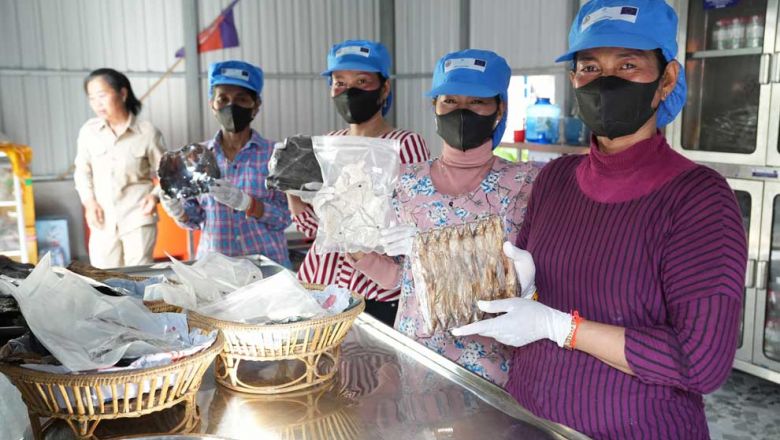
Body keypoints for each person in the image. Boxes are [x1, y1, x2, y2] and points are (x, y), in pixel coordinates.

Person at [452, 2, 748, 438]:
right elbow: (534, 302)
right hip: (530, 418)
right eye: (589, 66)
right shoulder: (556, 179)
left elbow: (700, 363)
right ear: (573, 79)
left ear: (666, 80)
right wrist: (525, 289)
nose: (604, 80)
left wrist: (562, 327)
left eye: (628, 65)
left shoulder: (697, 198)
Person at [379, 49, 539, 386]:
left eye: (477, 102)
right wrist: (356, 253)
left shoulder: (526, 182)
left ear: (500, 109)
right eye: (450, 101)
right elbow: (400, 281)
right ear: (435, 107)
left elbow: (537, 281)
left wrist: (430, 251)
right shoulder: (405, 182)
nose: (461, 112)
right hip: (414, 356)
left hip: (490, 363)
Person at [289, 40, 430, 326]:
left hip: (372, 296)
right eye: (339, 82)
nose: (349, 91)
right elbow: (318, 230)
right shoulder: (329, 143)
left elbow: (413, 224)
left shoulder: (404, 144)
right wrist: (292, 191)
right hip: (318, 289)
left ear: (384, 88)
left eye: (362, 81)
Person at [160, 60, 292, 267]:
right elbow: (194, 219)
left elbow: (285, 217)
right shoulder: (195, 157)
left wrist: (249, 204)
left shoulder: (276, 154)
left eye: (241, 99)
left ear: (256, 106)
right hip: (215, 268)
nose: (231, 106)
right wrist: (177, 209)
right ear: (212, 104)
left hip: (267, 267)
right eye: (223, 99)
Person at [74, 68, 166, 268]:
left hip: (138, 217)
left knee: (139, 277)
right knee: (105, 280)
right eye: (92, 98)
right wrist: (89, 203)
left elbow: (168, 174)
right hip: (102, 221)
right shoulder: (89, 132)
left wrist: (155, 196)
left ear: (122, 94)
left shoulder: (148, 133)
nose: (97, 103)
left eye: (102, 95)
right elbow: (82, 171)